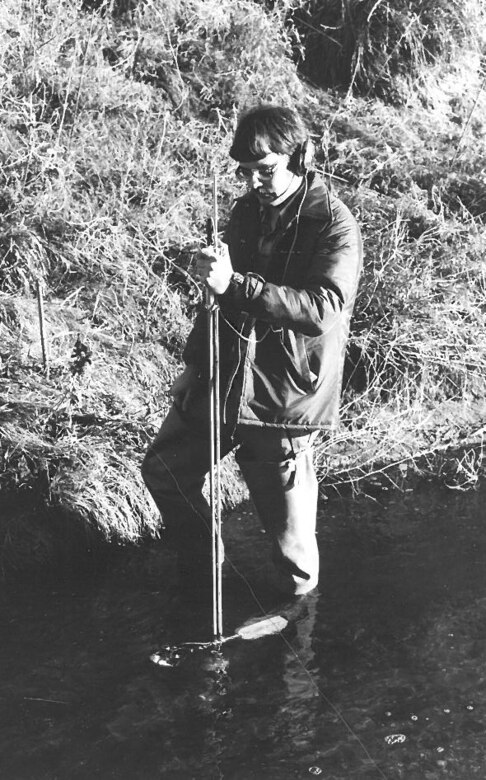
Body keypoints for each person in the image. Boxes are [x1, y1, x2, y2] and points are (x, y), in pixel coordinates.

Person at [142, 104, 362, 599]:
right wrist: (193, 364)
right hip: (223, 376)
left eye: (266, 170)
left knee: (292, 552)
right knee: (164, 469)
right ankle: (206, 567)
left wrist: (235, 284)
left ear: (300, 158)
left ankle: (296, 625)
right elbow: (215, 300)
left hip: (281, 397)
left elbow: (322, 307)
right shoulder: (245, 211)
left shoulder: (334, 223)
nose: (256, 183)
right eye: (246, 172)